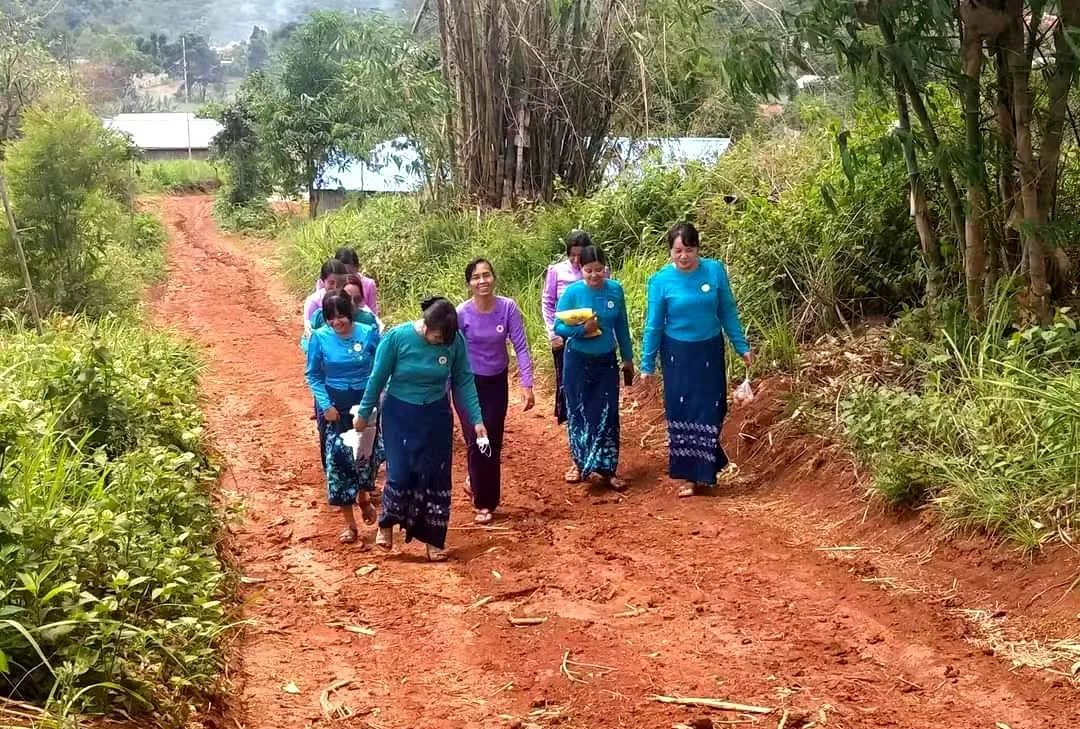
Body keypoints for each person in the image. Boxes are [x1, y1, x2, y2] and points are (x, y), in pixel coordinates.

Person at [354, 297, 487, 561]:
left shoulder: (454, 341)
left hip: (436, 415)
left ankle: (434, 540)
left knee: (434, 476)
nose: (440, 343)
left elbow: (464, 380)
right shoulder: (397, 338)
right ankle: (386, 523)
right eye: (437, 337)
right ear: (425, 325)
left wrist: (477, 419)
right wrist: (364, 412)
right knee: (401, 473)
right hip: (399, 413)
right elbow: (378, 377)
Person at [640, 222, 752, 498]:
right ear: (670, 252)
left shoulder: (714, 271)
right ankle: (691, 477)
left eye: (689, 250)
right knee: (683, 411)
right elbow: (654, 325)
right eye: (678, 251)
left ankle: (705, 468)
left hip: (709, 349)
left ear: (698, 249)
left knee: (713, 409)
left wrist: (742, 346)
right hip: (677, 353)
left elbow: (727, 310)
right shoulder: (660, 281)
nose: (683, 256)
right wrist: (647, 364)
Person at [455, 258, 535, 524]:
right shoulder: (461, 313)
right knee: (477, 441)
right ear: (469, 283)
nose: (482, 281)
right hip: (468, 384)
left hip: (496, 382)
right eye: (476, 277)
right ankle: (483, 501)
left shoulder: (508, 308)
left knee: (492, 439)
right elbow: (450, 351)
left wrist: (527, 384)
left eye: (486, 275)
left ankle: (482, 489)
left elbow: (521, 346)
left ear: (494, 278)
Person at [554, 245, 634, 491]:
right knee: (579, 412)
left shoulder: (615, 290)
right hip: (577, 361)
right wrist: (582, 331)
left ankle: (608, 468)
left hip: (606, 361)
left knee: (608, 414)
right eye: (589, 270)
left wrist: (628, 358)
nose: (594, 275)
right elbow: (559, 327)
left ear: (606, 269)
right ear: (581, 269)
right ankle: (579, 464)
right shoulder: (572, 292)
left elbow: (622, 326)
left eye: (599, 270)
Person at [304, 292, 382, 544]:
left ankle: (363, 497)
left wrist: (372, 403)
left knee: (365, 458)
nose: (338, 322)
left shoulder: (368, 332)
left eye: (342, 316)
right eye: (331, 318)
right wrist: (325, 406)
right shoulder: (319, 338)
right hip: (335, 411)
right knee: (338, 464)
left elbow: (379, 369)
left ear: (351, 313)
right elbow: (314, 375)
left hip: (366, 407)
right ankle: (349, 524)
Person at [541, 230, 592, 425]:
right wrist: (552, 333)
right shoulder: (556, 271)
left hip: (590, 334)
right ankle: (571, 418)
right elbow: (547, 302)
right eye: (572, 254)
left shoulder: (597, 270)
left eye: (580, 254)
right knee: (566, 378)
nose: (576, 259)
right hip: (563, 334)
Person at [315, 248, 379, 315]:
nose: (347, 278)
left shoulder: (368, 284)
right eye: (343, 274)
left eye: (350, 273)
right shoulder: (325, 284)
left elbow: (373, 311)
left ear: (357, 267)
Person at [310, 273, 382, 332]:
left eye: (357, 299)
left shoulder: (367, 320)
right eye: (348, 299)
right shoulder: (320, 317)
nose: (353, 303)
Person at [303, 259, 349, 345]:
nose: (336, 287)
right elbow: (309, 333)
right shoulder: (313, 302)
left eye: (340, 282)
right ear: (322, 281)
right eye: (331, 283)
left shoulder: (350, 298)